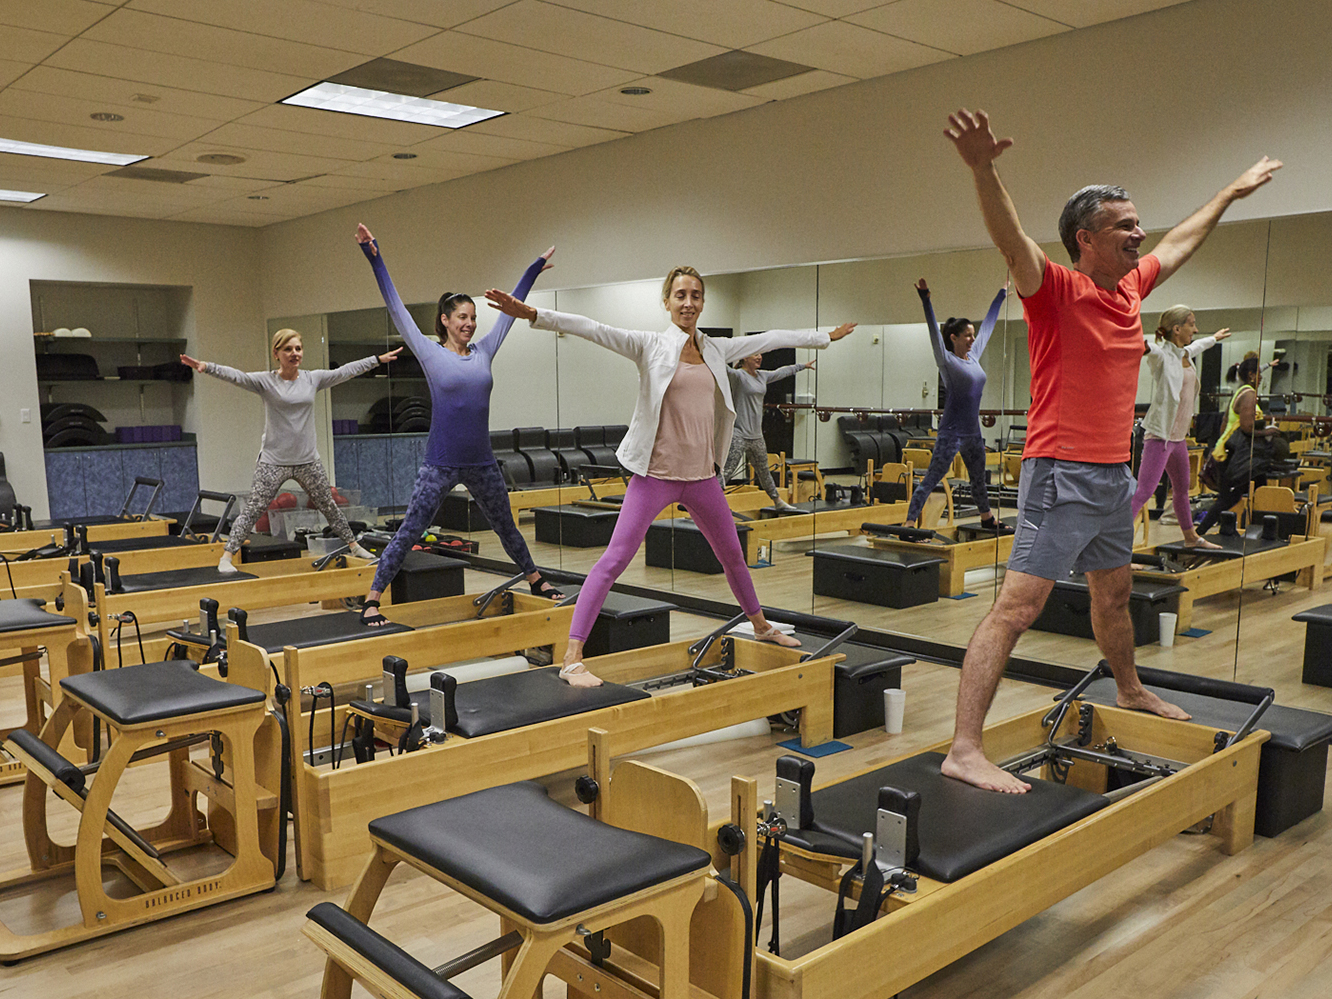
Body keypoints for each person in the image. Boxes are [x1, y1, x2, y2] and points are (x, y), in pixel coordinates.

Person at [939, 106, 1280, 792]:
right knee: (1017, 609)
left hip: (1111, 476)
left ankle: (1128, 687)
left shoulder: (1130, 289)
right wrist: (982, 170)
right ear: (1085, 239)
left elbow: (1179, 242)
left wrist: (1228, 194)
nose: (1139, 233)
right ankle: (965, 748)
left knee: (1116, 595)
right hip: (1058, 475)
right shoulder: (1053, 290)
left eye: (1137, 222)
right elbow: (1011, 239)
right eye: (1124, 225)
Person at [484, 269, 856, 686]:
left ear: (703, 302)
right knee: (613, 561)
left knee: (733, 556)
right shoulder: (650, 345)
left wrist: (824, 337)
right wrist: (534, 314)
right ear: (667, 302)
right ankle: (572, 657)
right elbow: (592, 328)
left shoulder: (716, 349)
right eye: (680, 295)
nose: (688, 303)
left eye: (696, 295)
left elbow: (771, 338)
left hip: (702, 478)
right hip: (655, 476)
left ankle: (760, 625)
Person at [353, 225, 559, 626]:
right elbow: (395, 307)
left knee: (506, 527)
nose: (470, 323)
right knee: (411, 530)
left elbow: (511, 312)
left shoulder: (484, 351)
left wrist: (532, 271)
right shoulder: (430, 353)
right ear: (445, 320)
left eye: (474, 317)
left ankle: (536, 580)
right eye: (463, 317)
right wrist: (374, 258)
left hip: (482, 463)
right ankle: (373, 598)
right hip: (441, 463)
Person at [181, 333, 402, 574]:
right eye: (288, 349)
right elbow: (237, 376)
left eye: (298, 348)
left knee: (328, 505)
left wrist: (376, 360)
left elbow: (345, 371)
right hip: (273, 462)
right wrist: (207, 367)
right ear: (276, 354)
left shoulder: (312, 379)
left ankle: (354, 546)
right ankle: (227, 556)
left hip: (307, 461)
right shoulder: (266, 381)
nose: (294, 353)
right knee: (254, 509)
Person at [908, 279, 1008, 524]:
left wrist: (1001, 294)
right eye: (968, 335)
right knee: (933, 478)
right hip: (951, 433)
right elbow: (933, 333)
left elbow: (988, 326)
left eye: (973, 335)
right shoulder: (947, 361)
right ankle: (909, 522)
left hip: (973, 432)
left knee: (978, 478)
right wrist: (926, 301)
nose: (973, 339)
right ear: (954, 338)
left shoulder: (973, 357)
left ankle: (986, 518)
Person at [1134, 305, 1228, 548]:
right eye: (1192, 324)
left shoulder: (1184, 353)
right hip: (1160, 437)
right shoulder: (1161, 354)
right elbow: (1149, 348)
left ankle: (1191, 538)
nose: (1195, 330)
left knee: (1182, 490)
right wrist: (1133, 342)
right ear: (1177, 329)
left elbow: (1198, 346)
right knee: (1144, 492)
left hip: (1177, 440)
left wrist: (1214, 338)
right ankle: (1114, 548)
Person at [723, 353, 812, 510]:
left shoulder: (762, 376)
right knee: (727, 471)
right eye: (755, 354)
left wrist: (802, 366)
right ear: (744, 358)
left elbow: (781, 372)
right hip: (739, 433)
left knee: (764, 471)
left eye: (760, 354)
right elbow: (720, 366)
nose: (759, 357)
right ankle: (706, 503)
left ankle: (778, 502)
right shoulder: (738, 376)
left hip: (756, 435)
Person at [1193, 369, 1273, 536]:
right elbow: (1247, 427)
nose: (1261, 378)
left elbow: (1224, 423)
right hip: (1233, 455)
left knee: (1258, 490)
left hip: (1235, 452)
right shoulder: (1249, 395)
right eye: (1259, 374)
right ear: (1251, 375)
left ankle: (1258, 531)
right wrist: (1268, 431)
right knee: (1229, 498)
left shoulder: (1240, 392)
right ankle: (1199, 533)